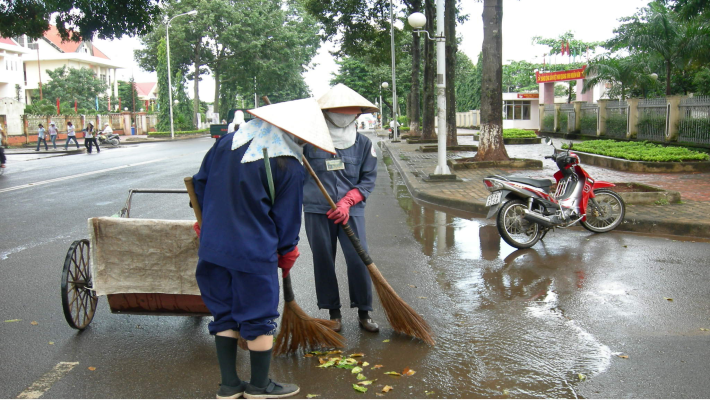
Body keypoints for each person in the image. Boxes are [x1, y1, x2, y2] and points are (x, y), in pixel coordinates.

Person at [192, 98, 334, 399]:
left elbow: (200, 184)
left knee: (224, 315)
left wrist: (209, 223)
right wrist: (287, 250)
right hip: (253, 254)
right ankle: (259, 386)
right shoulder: (289, 164)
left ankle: (229, 386)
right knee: (258, 319)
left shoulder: (226, 143)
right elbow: (286, 221)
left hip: (213, 249)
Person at [302, 83, 380, 333]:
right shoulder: (309, 143)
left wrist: (347, 202)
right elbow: (294, 174)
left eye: (349, 112)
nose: (343, 116)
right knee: (323, 259)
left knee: (359, 259)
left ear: (357, 114)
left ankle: (364, 312)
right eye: (337, 112)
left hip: (351, 210)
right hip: (317, 209)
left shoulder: (365, 145)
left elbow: (367, 180)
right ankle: (333, 313)